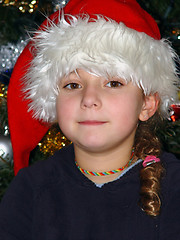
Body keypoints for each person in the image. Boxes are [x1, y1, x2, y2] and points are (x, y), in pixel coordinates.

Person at [0, 0, 180, 239]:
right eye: (73, 85)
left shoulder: (174, 187)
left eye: (113, 83)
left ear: (147, 104)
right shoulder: (30, 188)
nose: (89, 99)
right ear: (53, 100)